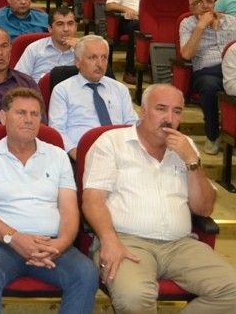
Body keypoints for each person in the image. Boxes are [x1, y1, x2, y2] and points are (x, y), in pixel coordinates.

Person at [82, 83, 236, 313]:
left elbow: (204, 208)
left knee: (232, 290)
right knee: (134, 297)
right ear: (143, 111)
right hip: (126, 242)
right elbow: (92, 200)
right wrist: (108, 239)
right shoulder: (111, 142)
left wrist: (192, 161)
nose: (169, 118)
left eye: (177, 111)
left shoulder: (186, 148)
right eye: (161, 109)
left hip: (180, 245)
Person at [0, 88, 98, 314]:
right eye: (21, 113)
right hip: (1, 242)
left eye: (35, 114)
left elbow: (69, 209)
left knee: (86, 273)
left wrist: (60, 244)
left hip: (50, 245)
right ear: (3, 117)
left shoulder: (57, 155)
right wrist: (14, 238)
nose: (29, 119)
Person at [49, 35, 138, 159]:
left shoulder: (120, 89)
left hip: (120, 153)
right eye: (92, 58)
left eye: (104, 58)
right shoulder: (62, 90)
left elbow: (132, 123)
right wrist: (77, 155)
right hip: (82, 153)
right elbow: (57, 130)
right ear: (77, 62)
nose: (100, 64)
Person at [179, 0, 236, 154]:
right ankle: (212, 136)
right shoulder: (187, 24)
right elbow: (187, 55)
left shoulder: (232, 21)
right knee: (209, 86)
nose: (205, 6)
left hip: (232, 67)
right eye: (199, 2)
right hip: (207, 71)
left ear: (215, 4)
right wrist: (200, 27)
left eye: (209, 1)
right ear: (191, 8)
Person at [105, 0, 163, 84]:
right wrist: (126, 9)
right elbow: (109, 5)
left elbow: (160, 4)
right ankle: (130, 72)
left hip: (150, 20)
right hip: (127, 21)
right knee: (135, 27)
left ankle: (158, 71)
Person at [14, 6, 78, 83]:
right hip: (38, 89)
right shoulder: (34, 49)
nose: (66, 29)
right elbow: (19, 80)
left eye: (70, 24)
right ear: (50, 29)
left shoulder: (84, 50)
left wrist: (81, 50)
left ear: (76, 27)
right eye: (60, 24)